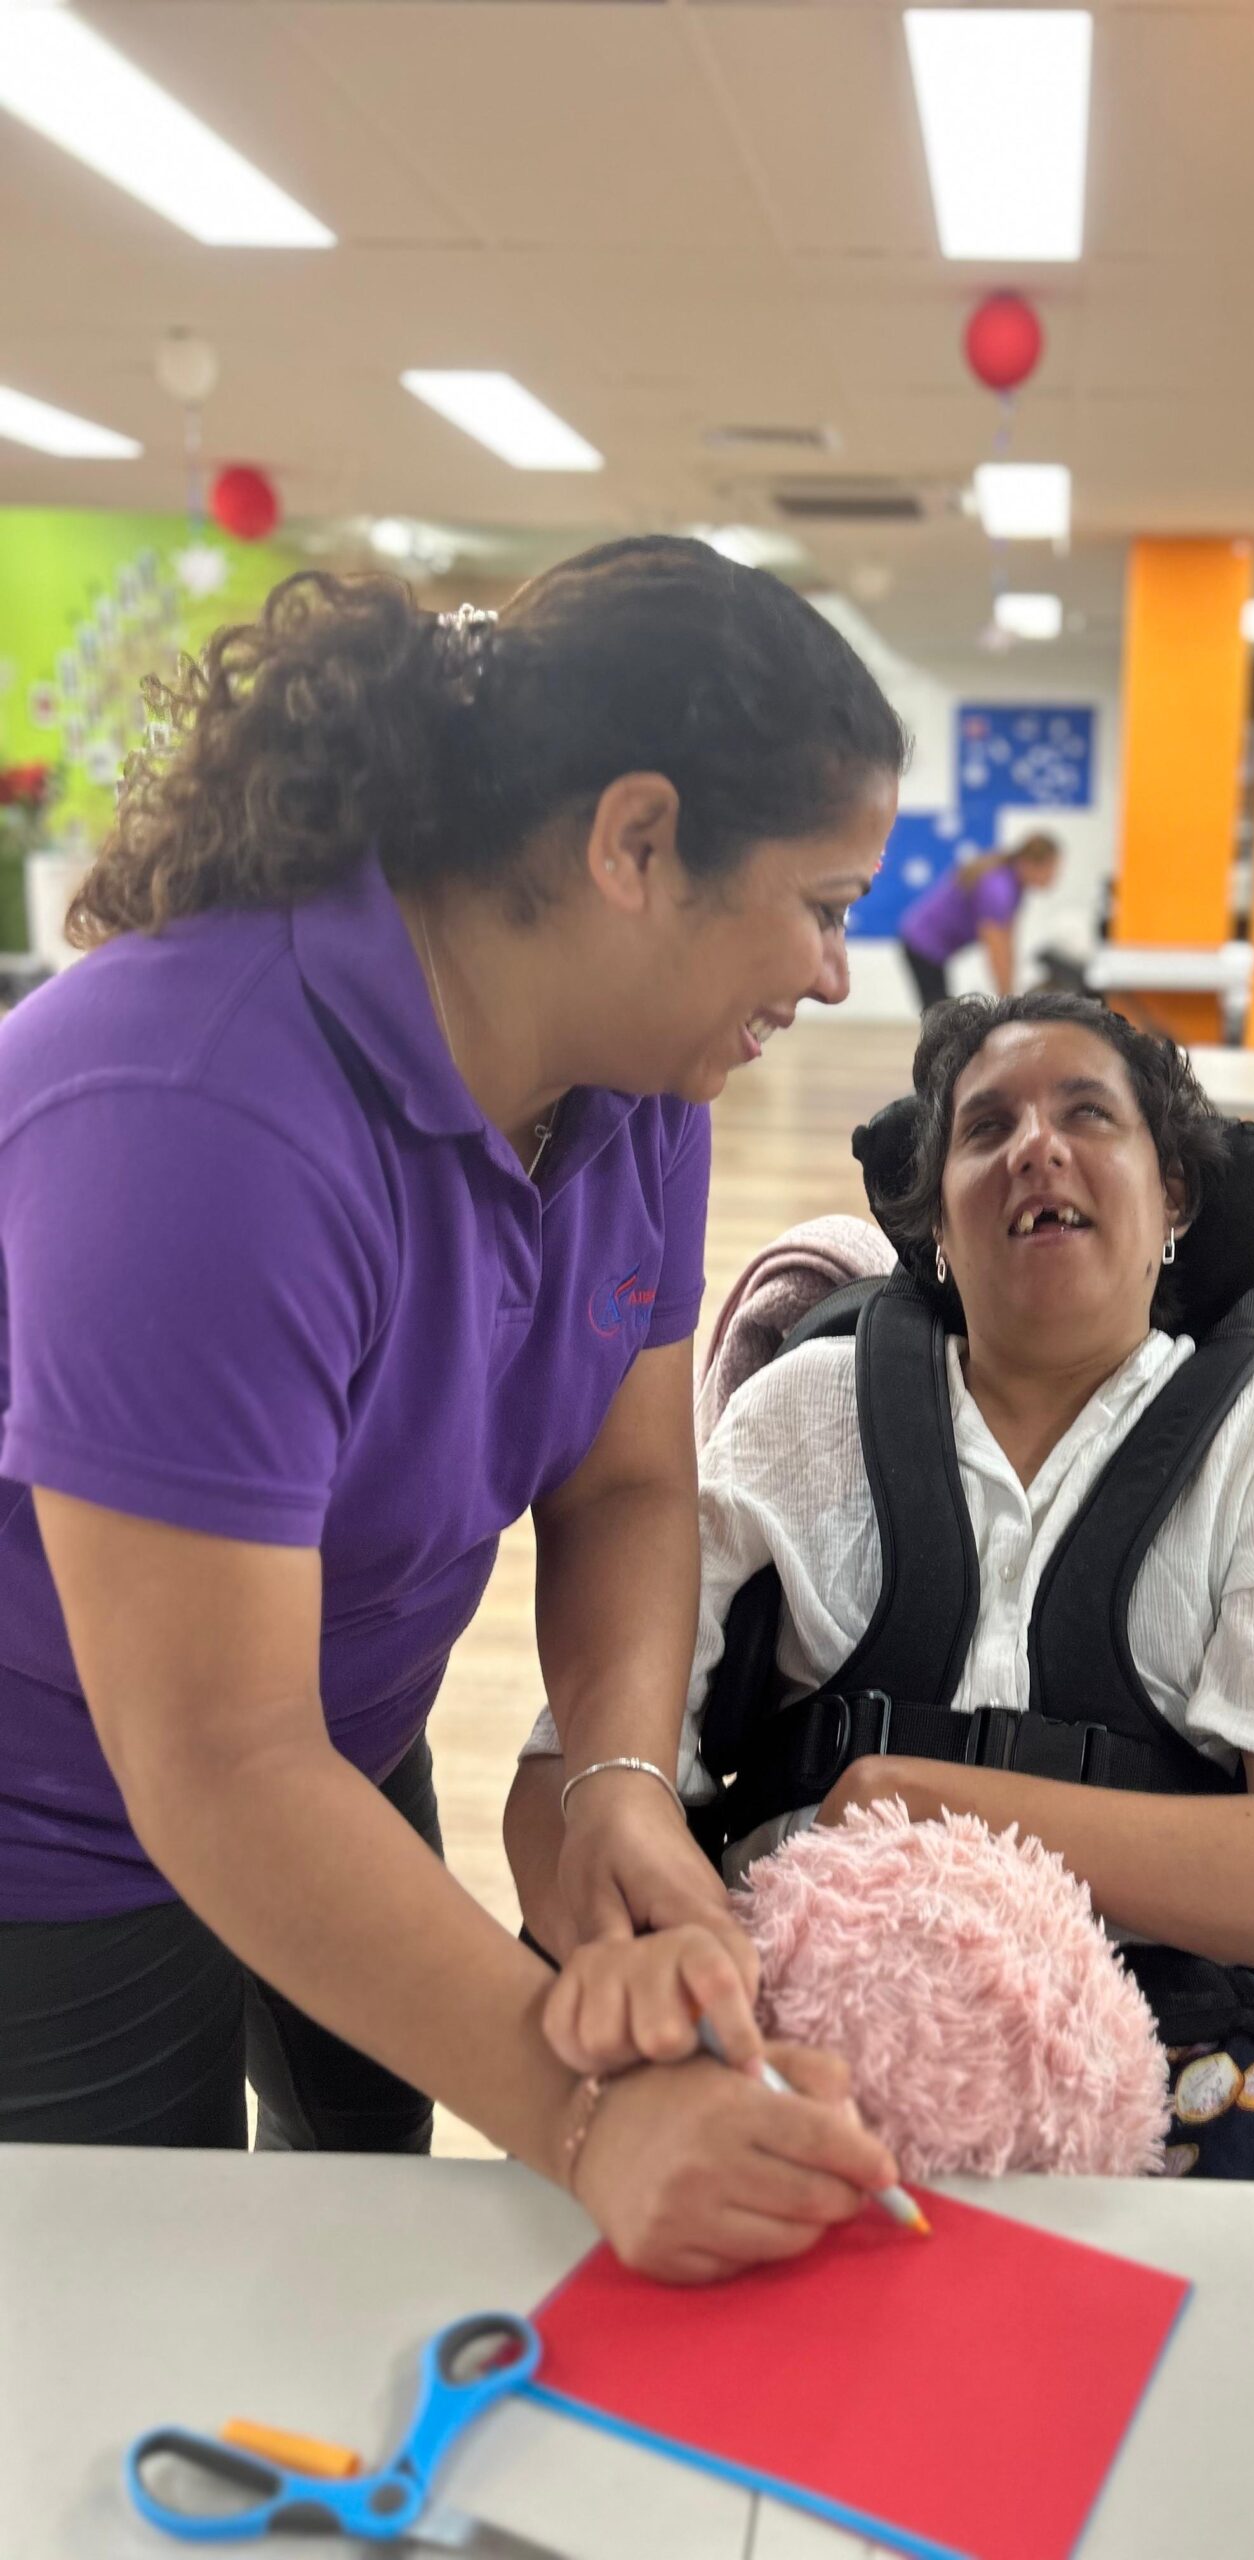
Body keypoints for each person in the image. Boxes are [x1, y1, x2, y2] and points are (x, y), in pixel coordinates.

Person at [0, 538, 913, 2286]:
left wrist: (618, 1785)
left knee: (368, 2199)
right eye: (823, 904)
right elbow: (210, 1754)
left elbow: (631, 1485)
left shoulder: (632, 1072)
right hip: (53, 1811)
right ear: (635, 843)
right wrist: (582, 2122)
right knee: (125, 2303)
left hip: (332, 1726)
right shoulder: (191, 1111)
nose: (832, 976)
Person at [506, 990, 1254, 2185]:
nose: (1036, 1145)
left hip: (1173, 2036)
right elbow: (563, 1785)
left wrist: (910, 1794)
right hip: (790, 2009)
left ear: (1176, 1199)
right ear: (936, 1216)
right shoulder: (806, 1411)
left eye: (1088, 1113)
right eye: (985, 1129)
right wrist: (658, 1978)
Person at [897, 831, 1062, 1009]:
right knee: (939, 1017)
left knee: (943, 1014)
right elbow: (996, 952)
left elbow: (1008, 945)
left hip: (929, 946)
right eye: (1051, 868)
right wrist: (1009, 1004)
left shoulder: (1014, 885)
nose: (1054, 877)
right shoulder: (998, 889)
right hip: (921, 943)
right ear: (1028, 863)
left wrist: (1012, 997)